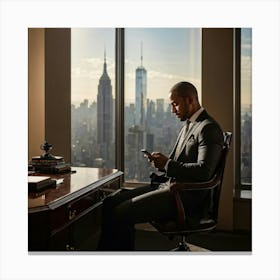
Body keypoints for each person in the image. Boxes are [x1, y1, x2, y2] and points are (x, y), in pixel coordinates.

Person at [97, 81, 224, 251]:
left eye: (175, 104)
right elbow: (176, 163)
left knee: (121, 213)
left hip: (185, 197)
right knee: (111, 202)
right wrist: (162, 163)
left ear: (190, 100)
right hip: (169, 187)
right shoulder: (188, 125)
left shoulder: (208, 128)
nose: (172, 110)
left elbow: (204, 172)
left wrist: (168, 164)